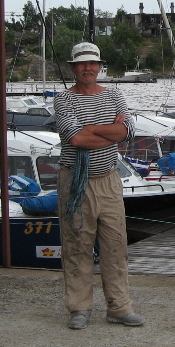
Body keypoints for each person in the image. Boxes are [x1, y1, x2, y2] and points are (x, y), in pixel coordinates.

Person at [54, 41, 143, 330]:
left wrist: (91, 130)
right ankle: (79, 307)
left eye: (92, 63)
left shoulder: (114, 95)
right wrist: (112, 134)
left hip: (108, 179)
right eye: (82, 64)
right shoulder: (63, 100)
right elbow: (75, 139)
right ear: (73, 68)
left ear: (100, 66)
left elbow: (128, 131)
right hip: (75, 182)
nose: (88, 68)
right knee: (77, 245)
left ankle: (119, 307)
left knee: (116, 245)